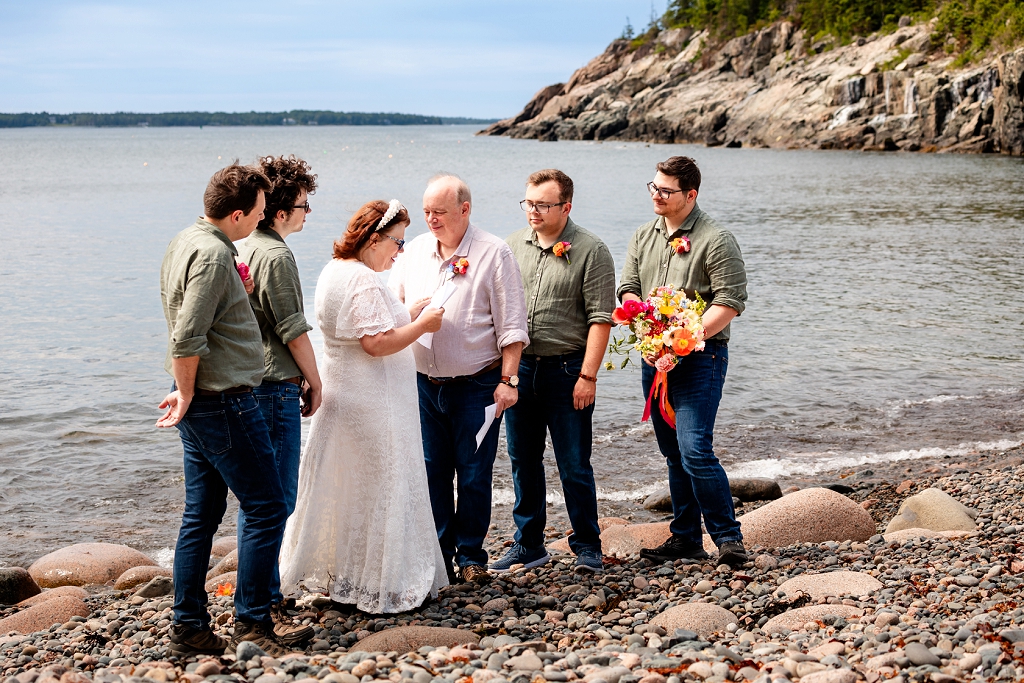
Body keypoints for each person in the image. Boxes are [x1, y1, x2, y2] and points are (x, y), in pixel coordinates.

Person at [279, 199, 449, 613]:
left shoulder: (335, 271)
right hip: (376, 405)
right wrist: (423, 325)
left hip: (345, 398)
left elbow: (362, 328)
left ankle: (348, 576)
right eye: (397, 242)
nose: (400, 251)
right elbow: (374, 344)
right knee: (382, 487)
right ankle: (385, 581)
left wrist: (406, 313)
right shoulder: (363, 280)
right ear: (374, 239)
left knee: (350, 488)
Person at [157, 163, 295, 657]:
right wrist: (188, 392)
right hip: (221, 400)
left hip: (204, 400)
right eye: (258, 212)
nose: (261, 219)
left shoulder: (186, 239)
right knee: (268, 506)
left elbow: (196, 321)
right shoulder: (215, 255)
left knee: (202, 513)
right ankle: (253, 624)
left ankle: (189, 624)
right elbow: (188, 333)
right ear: (236, 214)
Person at [389, 174, 529, 585]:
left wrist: (509, 381)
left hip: (477, 385)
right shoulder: (414, 252)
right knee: (431, 473)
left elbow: (512, 326)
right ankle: (438, 557)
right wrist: (407, 313)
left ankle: (471, 556)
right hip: (421, 385)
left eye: (439, 212)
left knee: (472, 474)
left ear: (464, 210)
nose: (430, 220)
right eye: (427, 212)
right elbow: (393, 308)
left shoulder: (494, 253)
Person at [617, 156, 749, 568]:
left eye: (666, 190)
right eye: (653, 187)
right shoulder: (643, 236)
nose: (656, 195)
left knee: (694, 450)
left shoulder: (717, 239)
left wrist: (685, 338)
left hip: (701, 359)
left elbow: (730, 301)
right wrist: (645, 328)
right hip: (654, 359)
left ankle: (729, 539)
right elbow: (629, 289)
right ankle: (686, 538)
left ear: (690, 195)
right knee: (672, 452)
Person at [498, 169, 615, 575]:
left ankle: (587, 546)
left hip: (568, 372)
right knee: (522, 459)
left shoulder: (592, 250)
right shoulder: (511, 246)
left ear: (566, 207)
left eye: (543, 204)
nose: (533, 210)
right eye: (528, 202)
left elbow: (602, 319)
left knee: (574, 463)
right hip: (520, 367)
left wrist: (588, 376)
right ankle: (528, 544)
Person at [238, 155, 322, 644]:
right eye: (304, 205)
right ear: (281, 210)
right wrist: (315, 380)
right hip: (272, 387)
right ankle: (258, 607)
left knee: (259, 499)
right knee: (276, 499)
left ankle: (264, 592)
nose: (308, 214)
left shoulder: (243, 244)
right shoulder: (275, 255)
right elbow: (292, 330)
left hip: (249, 382)